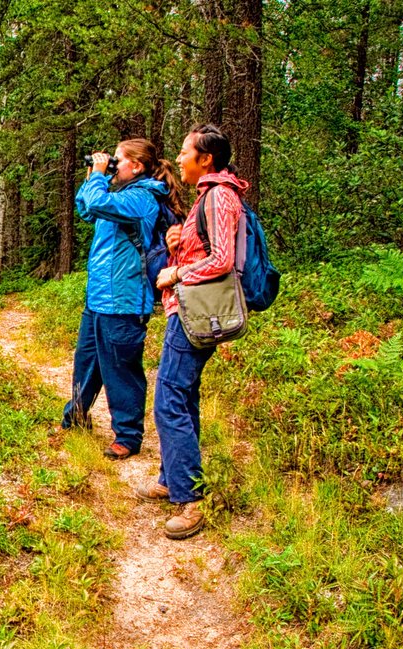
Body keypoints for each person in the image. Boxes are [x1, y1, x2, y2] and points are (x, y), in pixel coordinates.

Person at [137, 123, 250, 539]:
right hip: (188, 311)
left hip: (196, 313)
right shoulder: (211, 195)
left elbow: (220, 260)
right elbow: (207, 247)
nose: (179, 158)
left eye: (186, 152)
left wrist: (175, 272)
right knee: (182, 396)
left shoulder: (219, 195)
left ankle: (190, 500)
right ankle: (173, 479)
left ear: (206, 159)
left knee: (168, 399)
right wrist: (177, 240)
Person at [63, 139, 185, 460]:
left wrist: (100, 176)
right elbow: (86, 208)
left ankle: (128, 436)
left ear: (138, 166)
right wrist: (94, 174)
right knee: (86, 362)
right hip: (100, 297)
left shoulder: (143, 198)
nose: (113, 165)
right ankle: (75, 416)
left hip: (126, 298)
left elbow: (98, 203)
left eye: (118, 160)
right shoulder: (115, 195)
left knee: (121, 368)